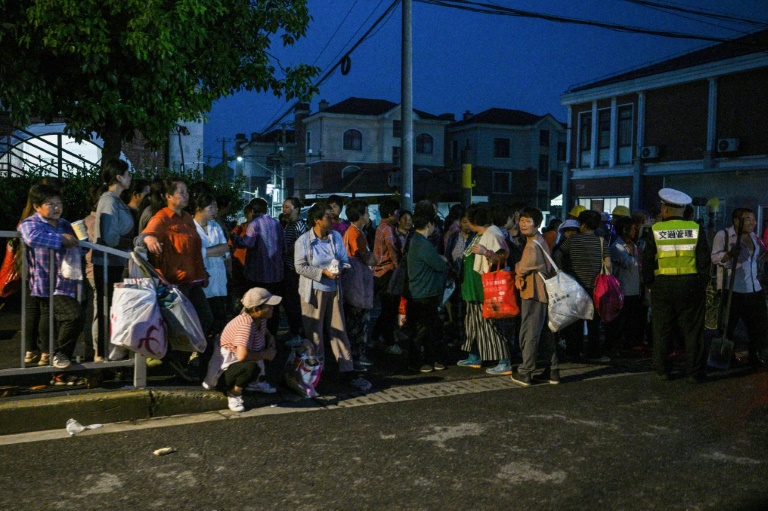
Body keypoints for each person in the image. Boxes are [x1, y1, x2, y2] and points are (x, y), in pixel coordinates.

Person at [137, 179, 214, 380]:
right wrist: (148, 238)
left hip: (193, 280)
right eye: (181, 192)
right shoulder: (161, 218)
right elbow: (142, 238)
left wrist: (203, 272)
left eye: (187, 192)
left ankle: (182, 360)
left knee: (205, 319)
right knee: (183, 325)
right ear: (168, 196)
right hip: (174, 283)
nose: (186, 195)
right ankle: (177, 363)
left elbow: (195, 249)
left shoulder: (187, 218)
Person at [295, 202, 371, 392]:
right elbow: (300, 267)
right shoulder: (304, 241)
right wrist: (323, 272)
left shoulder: (335, 236)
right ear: (317, 220)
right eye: (328, 216)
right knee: (315, 333)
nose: (332, 219)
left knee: (339, 329)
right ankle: (315, 371)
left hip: (334, 289)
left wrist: (340, 270)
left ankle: (346, 369)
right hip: (313, 291)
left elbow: (344, 260)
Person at [642, 188, 710, 383]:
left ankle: (663, 370)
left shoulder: (655, 230)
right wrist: (701, 282)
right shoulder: (696, 229)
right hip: (691, 283)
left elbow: (647, 260)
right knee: (693, 330)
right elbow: (704, 260)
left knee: (662, 328)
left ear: (665, 209)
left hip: (663, 284)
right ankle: (694, 372)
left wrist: (650, 283)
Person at [18, 184, 84, 376]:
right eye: (50, 204)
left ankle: (57, 358)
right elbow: (32, 238)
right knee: (71, 316)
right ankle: (57, 356)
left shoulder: (65, 224)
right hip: (45, 283)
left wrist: (82, 240)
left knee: (69, 318)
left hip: (65, 282)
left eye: (59, 203)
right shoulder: (30, 223)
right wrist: (60, 239)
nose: (56, 207)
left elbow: (80, 246)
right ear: (37, 207)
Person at [204, 288, 280, 412]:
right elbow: (242, 356)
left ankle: (254, 383)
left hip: (236, 365)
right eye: (269, 306)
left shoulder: (260, 318)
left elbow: (263, 330)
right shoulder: (244, 325)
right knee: (250, 367)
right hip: (223, 373)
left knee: (275, 348)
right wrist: (266, 354)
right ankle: (234, 392)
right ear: (256, 309)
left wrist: (270, 336)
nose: (273, 308)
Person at [457, 202, 512, 375]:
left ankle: (504, 361)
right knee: (473, 324)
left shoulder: (493, 234)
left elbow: (502, 258)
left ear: (474, 220)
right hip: (472, 288)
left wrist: (486, 252)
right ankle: (474, 356)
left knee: (490, 325)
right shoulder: (479, 234)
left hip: (484, 289)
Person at [711, 208, 767, 368]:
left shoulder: (754, 237)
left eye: (754, 219)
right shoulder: (724, 235)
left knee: (758, 326)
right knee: (728, 326)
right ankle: (727, 357)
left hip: (753, 288)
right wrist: (729, 254)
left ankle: (755, 355)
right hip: (732, 289)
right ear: (736, 220)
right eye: (748, 219)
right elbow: (714, 257)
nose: (753, 222)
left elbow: (758, 257)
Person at [554, 209, 612, 362]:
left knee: (576, 321)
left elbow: (557, 255)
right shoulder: (601, 242)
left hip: (576, 286)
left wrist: (563, 272)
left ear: (583, 224)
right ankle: (593, 353)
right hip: (596, 287)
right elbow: (608, 264)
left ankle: (574, 352)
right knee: (594, 322)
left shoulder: (572, 240)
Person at [93, 159, 134, 361]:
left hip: (114, 263)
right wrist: (131, 242)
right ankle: (102, 353)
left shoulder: (115, 201)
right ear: (119, 177)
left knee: (112, 308)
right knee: (107, 309)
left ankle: (108, 353)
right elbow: (110, 237)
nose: (130, 177)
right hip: (107, 264)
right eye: (128, 174)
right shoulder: (109, 201)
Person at [511, 207, 558, 386]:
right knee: (545, 333)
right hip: (543, 293)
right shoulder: (539, 240)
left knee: (529, 331)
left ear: (537, 224)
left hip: (533, 292)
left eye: (528, 221)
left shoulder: (532, 245)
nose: (523, 224)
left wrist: (517, 270)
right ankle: (552, 371)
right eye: (522, 220)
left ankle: (526, 371)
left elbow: (523, 266)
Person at [231, 197, 285, 336]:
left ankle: (258, 336)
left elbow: (246, 243)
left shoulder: (254, 224)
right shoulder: (276, 223)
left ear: (253, 211)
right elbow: (283, 245)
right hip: (276, 274)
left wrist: (234, 237)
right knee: (273, 307)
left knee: (258, 307)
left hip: (258, 274)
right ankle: (272, 335)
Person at [407, 212, 448, 372]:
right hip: (424, 292)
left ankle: (429, 359)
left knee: (428, 328)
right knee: (423, 329)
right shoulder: (422, 243)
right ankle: (419, 361)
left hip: (421, 291)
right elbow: (439, 265)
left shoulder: (416, 241)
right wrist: (442, 260)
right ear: (429, 225)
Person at [342, 199, 377, 371]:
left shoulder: (351, 232)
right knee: (358, 323)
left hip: (352, 281)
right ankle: (356, 359)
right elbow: (366, 257)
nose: (369, 216)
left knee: (353, 322)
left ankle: (353, 358)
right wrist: (374, 259)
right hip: (357, 284)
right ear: (360, 215)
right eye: (367, 213)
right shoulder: (356, 234)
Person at [607, 216, 644, 356]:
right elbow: (630, 263)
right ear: (625, 230)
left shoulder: (633, 245)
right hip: (622, 289)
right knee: (619, 321)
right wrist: (638, 257)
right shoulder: (617, 246)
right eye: (633, 229)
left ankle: (628, 345)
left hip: (633, 288)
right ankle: (614, 346)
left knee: (631, 320)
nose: (635, 232)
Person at [193, 193, 230, 334]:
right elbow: (191, 253)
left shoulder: (215, 226)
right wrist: (214, 250)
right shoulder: (191, 227)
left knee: (220, 319)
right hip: (203, 282)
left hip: (219, 281)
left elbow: (225, 249)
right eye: (211, 207)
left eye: (216, 207)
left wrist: (203, 251)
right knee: (204, 320)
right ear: (199, 208)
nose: (215, 211)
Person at [371, 198, 402, 354]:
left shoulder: (381, 227)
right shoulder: (388, 229)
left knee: (386, 309)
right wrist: (398, 268)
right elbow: (392, 251)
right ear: (390, 214)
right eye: (396, 213)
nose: (398, 216)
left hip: (380, 273)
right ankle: (388, 341)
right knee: (389, 309)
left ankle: (376, 337)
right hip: (387, 272)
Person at [282, 197, 308, 342]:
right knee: (289, 302)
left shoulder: (299, 226)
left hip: (295, 270)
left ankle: (298, 333)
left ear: (296, 209)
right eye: (284, 207)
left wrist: (285, 251)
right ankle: (294, 331)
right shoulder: (289, 225)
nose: (284, 210)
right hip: (288, 268)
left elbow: (300, 245)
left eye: (287, 207)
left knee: (294, 303)